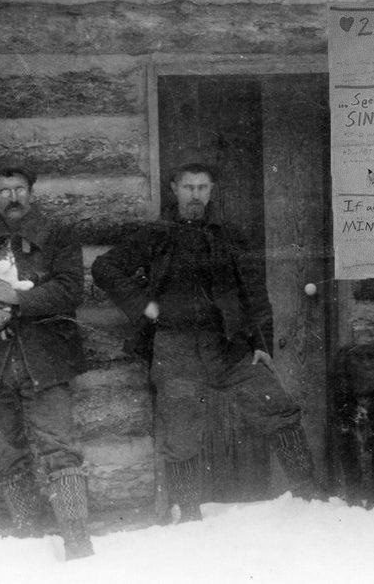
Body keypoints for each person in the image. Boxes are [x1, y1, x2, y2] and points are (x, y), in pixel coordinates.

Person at [91, 152, 319, 522]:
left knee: (277, 405)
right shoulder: (155, 236)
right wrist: (143, 306)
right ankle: (188, 515)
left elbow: (254, 294)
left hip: (226, 345)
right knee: (180, 433)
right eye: (188, 187)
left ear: (211, 191)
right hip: (174, 347)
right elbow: (105, 267)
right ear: (174, 189)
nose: (195, 194)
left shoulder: (230, 238)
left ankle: (310, 499)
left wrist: (261, 344)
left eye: (202, 187)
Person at [0, 162, 93, 559]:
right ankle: (29, 540)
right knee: (6, 453)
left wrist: (17, 299)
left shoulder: (59, 234)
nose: (13, 197)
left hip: (44, 358)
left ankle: (77, 541)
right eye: (4, 191)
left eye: (20, 189)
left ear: (31, 192)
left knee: (60, 448)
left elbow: (71, 290)